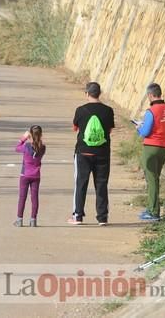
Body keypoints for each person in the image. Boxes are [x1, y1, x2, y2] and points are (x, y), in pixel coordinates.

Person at [69, 82, 115, 225]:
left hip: (83, 152)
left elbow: (75, 128)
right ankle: (102, 217)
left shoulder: (80, 110)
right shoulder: (108, 110)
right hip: (102, 152)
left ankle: (78, 216)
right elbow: (109, 130)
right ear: (99, 93)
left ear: (87, 93)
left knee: (81, 184)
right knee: (101, 184)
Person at [133, 83, 165, 222]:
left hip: (150, 147)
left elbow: (145, 132)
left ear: (150, 95)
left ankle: (153, 212)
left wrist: (139, 127)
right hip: (163, 148)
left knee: (151, 180)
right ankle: (152, 207)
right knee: (155, 178)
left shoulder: (151, 111)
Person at [13, 125, 46, 227]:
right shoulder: (43, 148)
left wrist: (23, 138)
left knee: (22, 197)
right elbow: (37, 147)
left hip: (25, 175)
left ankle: (19, 219)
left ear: (30, 135)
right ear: (41, 135)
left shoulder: (26, 146)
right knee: (34, 198)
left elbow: (16, 148)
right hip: (36, 176)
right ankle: (33, 220)